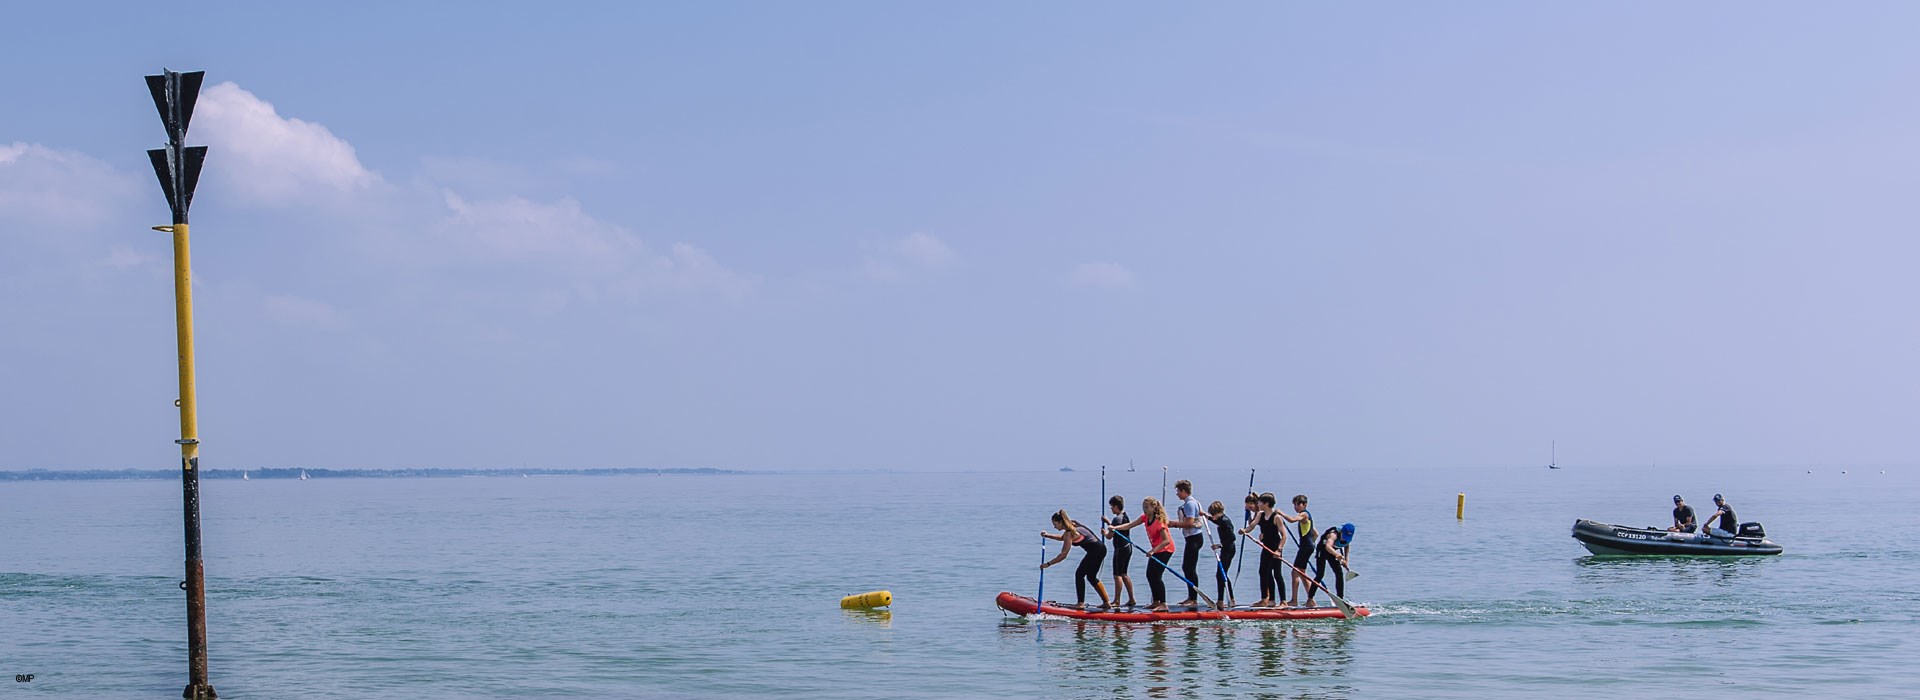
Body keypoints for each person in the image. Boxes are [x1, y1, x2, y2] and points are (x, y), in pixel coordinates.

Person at [1109, 496, 1176, 612]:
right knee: (1150, 574)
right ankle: (1156, 602)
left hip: (1166, 549)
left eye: (1147, 507)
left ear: (1154, 507)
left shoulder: (1159, 521)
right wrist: (1115, 528)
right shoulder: (1145, 518)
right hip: (1156, 550)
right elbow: (1130, 525)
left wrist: (1153, 551)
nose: (1145, 509)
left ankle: (1163, 603)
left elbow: (1166, 541)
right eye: (1143, 507)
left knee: (1156, 576)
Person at [1040, 509, 1111, 609]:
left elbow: (1063, 554)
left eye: (1055, 524)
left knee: (1079, 574)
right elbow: (1062, 538)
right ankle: (1106, 602)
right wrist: (1048, 535)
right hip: (1100, 549)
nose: (1054, 527)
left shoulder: (1069, 533)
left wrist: (1048, 564)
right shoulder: (1072, 524)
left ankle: (1080, 603)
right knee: (1091, 577)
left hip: (1096, 551)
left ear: (1061, 522)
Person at [1239, 492, 1285, 608]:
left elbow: (1284, 535)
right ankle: (1267, 600)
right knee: (1263, 572)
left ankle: (1283, 602)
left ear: (1266, 504)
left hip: (1275, 548)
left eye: (1260, 502)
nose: (1257, 504)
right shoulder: (1260, 514)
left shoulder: (1277, 517)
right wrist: (1244, 530)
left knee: (1277, 574)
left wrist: (1279, 550)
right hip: (1266, 547)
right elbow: (1252, 526)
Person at [1168, 480, 1207, 607]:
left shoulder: (1190, 504)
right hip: (1191, 538)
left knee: (1189, 568)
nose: (1177, 494)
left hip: (1194, 538)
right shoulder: (1189, 503)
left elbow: (1189, 523)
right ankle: (1190, 596)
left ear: (1184, 491)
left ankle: (1193, 598)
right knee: (1187, 568)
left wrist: (1174, 524)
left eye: (1178, 491)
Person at [1274, 494, 1316, 607]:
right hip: (1307, 546)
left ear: (1304, 505)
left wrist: (1281, 513)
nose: (1296, 507)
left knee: (1294, 572)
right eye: (1294, 505)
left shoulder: (1304, 514)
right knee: (1302, 574)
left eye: (1298, 504)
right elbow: (1315, 533)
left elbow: (1292, 520)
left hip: (1306, 547)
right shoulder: (1307, 517)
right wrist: (1310, 543)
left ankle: (1294, 600)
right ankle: (1311, 600)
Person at [1106, 495, 1137, 607]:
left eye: (1111, 507)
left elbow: (1109, 536)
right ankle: (1131, 599)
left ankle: (1117, 600)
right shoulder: (1125, 516)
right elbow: (1117, 528)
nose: (1111, 509)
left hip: (1120, 549)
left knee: (1117, 575)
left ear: (1115, 506)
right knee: (1124, 573)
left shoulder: (1116, 519)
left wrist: (1104, 532)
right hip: (1128, 547)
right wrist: (1108, 523)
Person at [1205, 500, 1237, 606]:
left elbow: (1232, 537)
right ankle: (1228, 599)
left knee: (1221, 574)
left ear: (1218, 513)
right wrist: (1206, 517)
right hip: (1225, 549)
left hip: (1229, 549)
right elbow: (1216, 522)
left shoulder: (1225, 521)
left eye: (1212, 515)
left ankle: (1222, 600)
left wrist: (1220, 545)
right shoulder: (1221, 520)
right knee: (1222, 575)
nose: (1212, 517)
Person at [1307, 526, 1347, 607]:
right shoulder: (1333, 535)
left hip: (1332, 552)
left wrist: (1346, 560)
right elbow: (1328, 546)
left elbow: (1347, 545)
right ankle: (1310, 599)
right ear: (1342, 532)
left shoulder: (1348, 537)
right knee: (1320, 575)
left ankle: (1340, 599)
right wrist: (1336, 554)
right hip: (1322, 551)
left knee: (1339, 573)